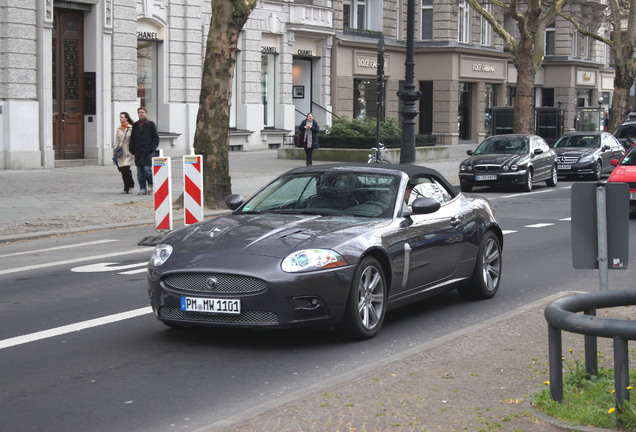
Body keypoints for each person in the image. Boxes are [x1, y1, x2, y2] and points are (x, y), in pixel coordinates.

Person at [129, 107, 160, 195]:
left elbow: (156, 138)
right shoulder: (135, 125)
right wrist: (131, 149)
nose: (141, 114)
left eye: (142, 112)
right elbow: (132, 138)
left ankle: (150, 185)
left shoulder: (150, 124)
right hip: (138, 152)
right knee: (140, 173)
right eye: (139, 112)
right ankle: (142, 188)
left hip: (147, 152)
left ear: (146, 113)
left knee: (147, 170)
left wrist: (151, 148)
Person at [113, 112, 135, 194]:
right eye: (120, 117)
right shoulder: (119, 128)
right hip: (120, 151)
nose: (120, 118)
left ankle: (130, 185)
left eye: (122, 117)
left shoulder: (131, 128)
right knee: (122, 170)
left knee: (126, 168)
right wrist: (115, 149)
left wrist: (133, 150)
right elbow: (116, 140)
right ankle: (126, 187)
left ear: (126, 118)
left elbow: (133, 140)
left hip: (128, 150)